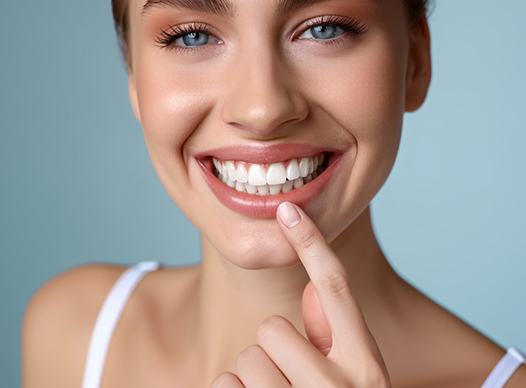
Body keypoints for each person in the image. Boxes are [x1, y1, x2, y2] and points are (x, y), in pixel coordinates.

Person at [21, 0, 526, 387]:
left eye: (324, 28)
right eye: (193, 36)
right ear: (133, 74)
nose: (262, 108)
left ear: (414, 62)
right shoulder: (73, 330)